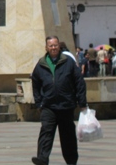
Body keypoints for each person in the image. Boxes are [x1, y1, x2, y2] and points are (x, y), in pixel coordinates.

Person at [31, 36, 87, 165]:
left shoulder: (68, 62)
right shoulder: (41, 64)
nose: (53, 48)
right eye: (50, 46)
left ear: (59, 46)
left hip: (66, 105)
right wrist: (39, 102)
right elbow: (36, 83)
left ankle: (71, 161)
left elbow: (79, 82)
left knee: (67, 136)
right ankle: (42, 159)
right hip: (48, 106)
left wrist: (82, 102)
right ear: (46, 47)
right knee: (46, 131)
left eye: (55, 45)